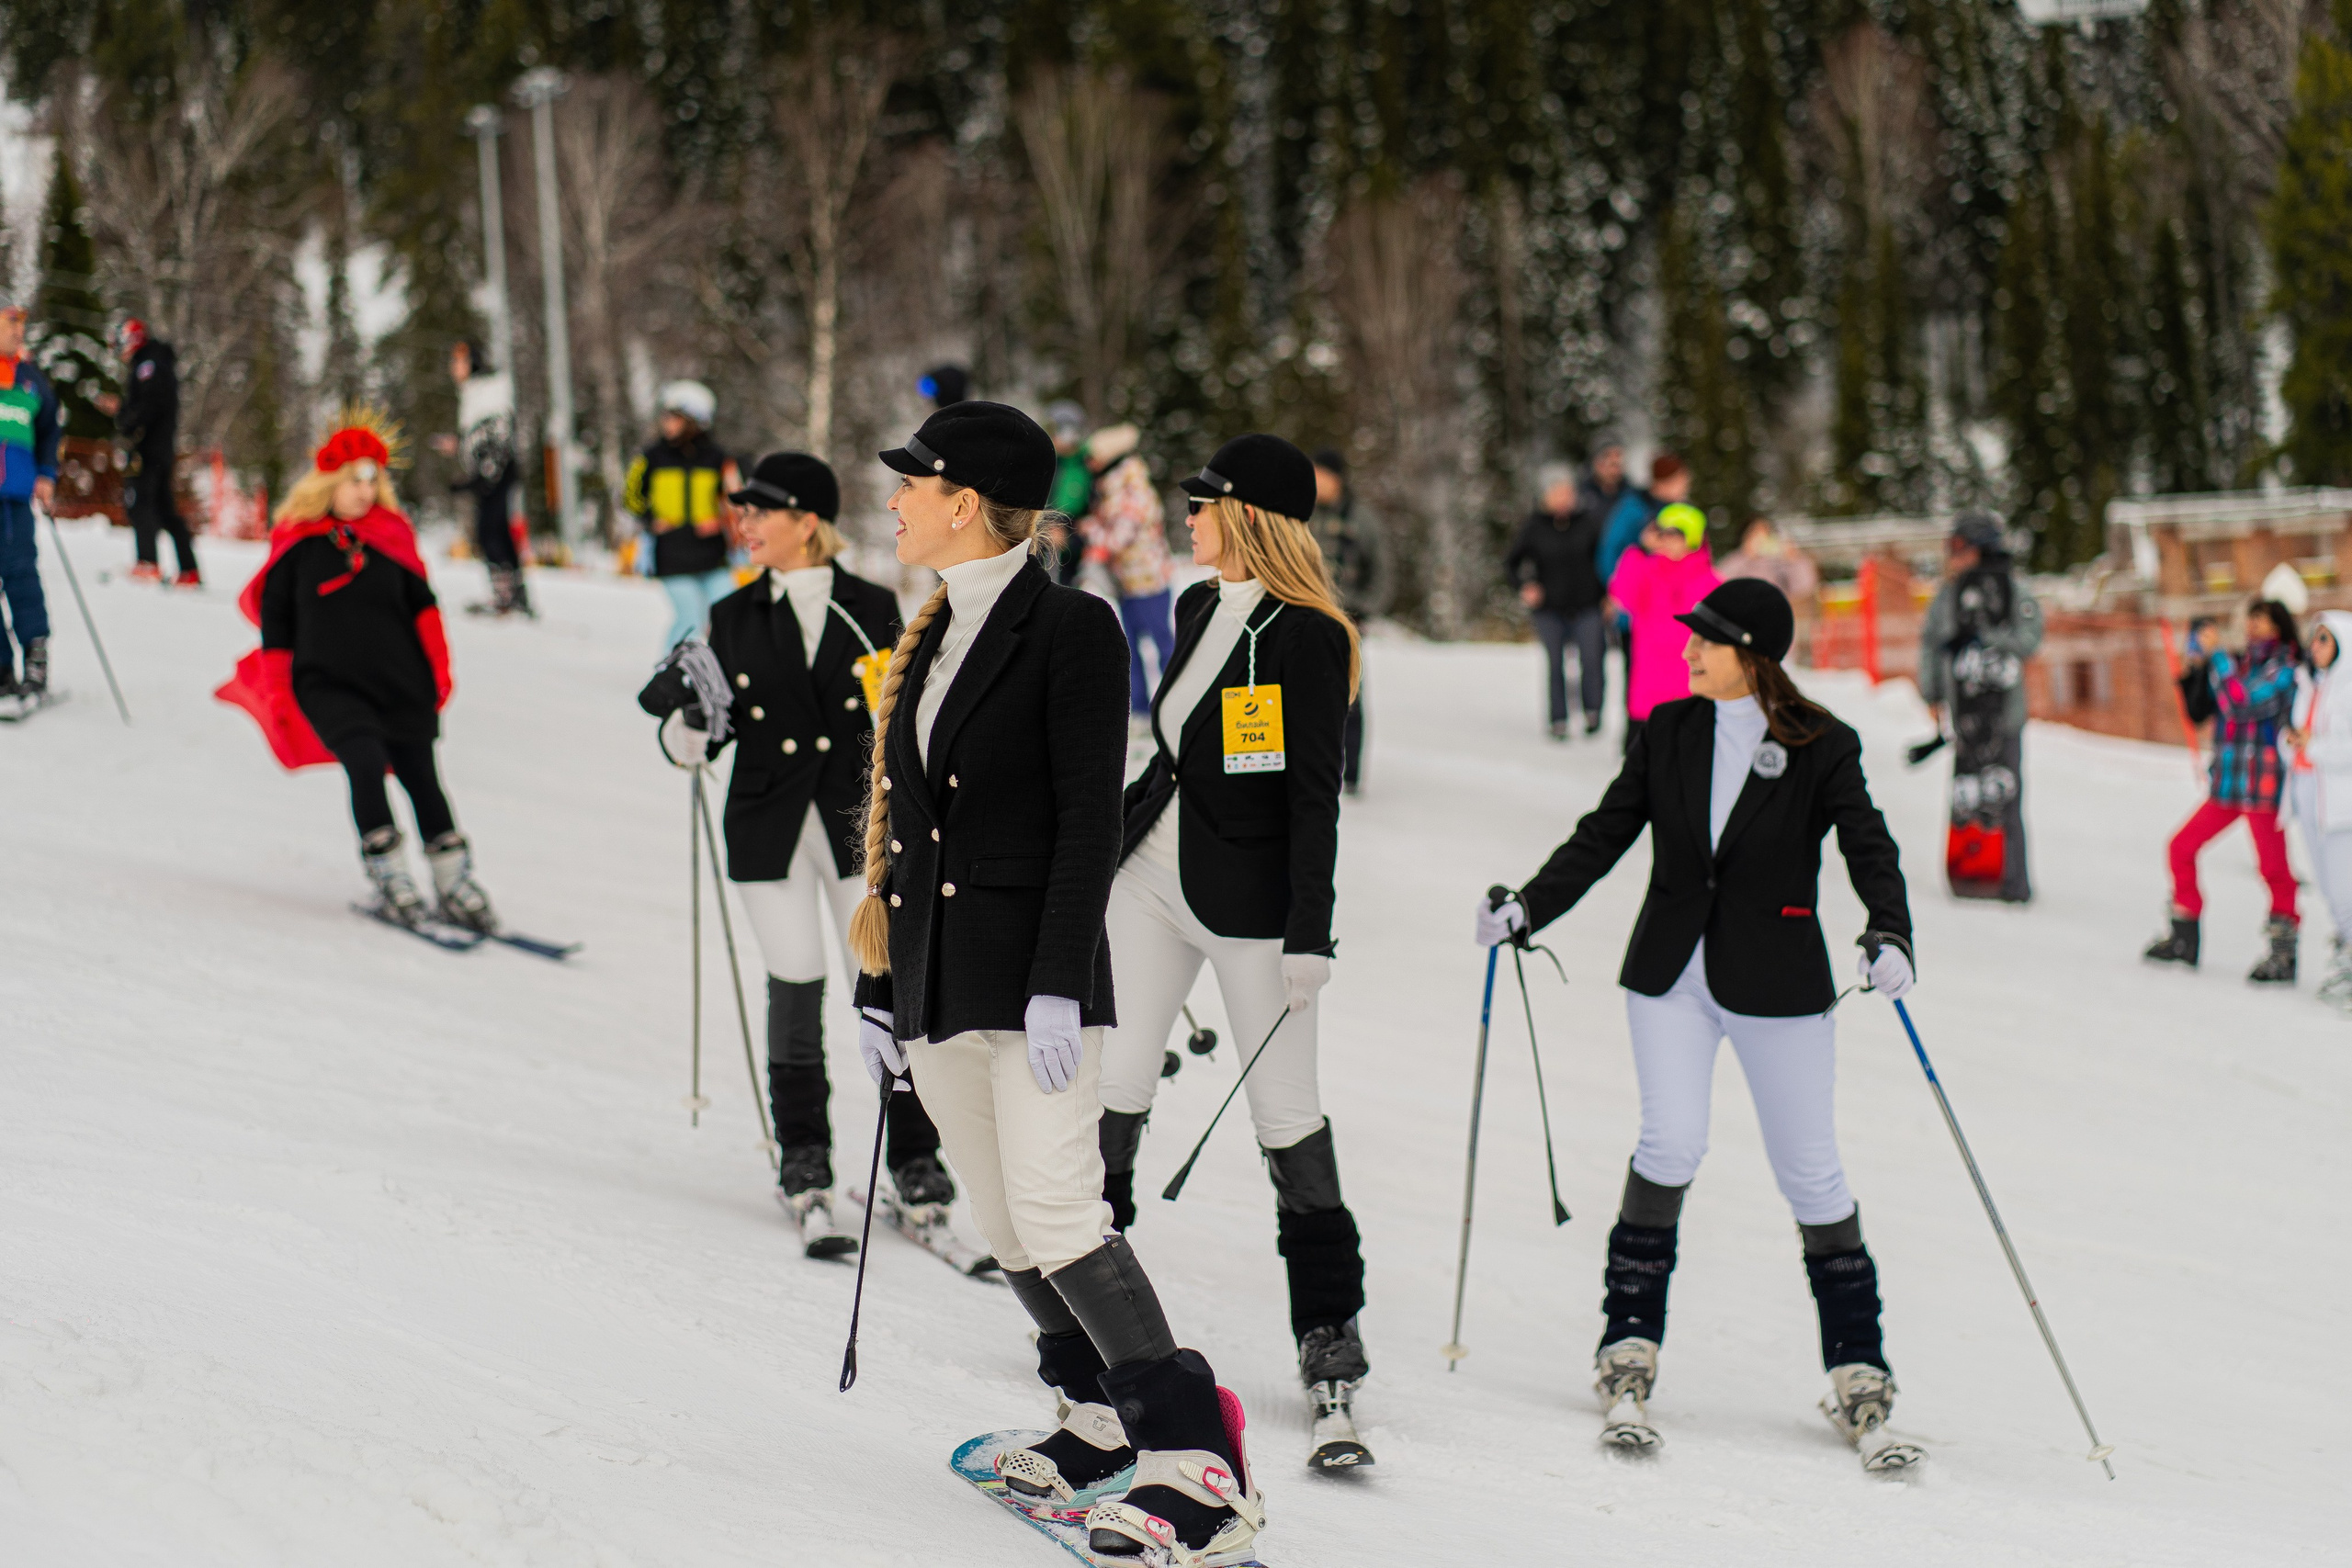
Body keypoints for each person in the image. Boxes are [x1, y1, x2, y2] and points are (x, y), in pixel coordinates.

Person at [849, 401, 1263, 1563]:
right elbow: (908, 834)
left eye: (910, 485)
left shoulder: (1070, 630)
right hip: (937, 985)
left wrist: (1052, 987)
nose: (893, 502)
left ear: (965, 501)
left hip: (1033, 986)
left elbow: (1089, 823)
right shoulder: (929, 633)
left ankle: (1196, 1465)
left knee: (1061, 1212)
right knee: (1000, 1220)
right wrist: (884, 985)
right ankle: (1092, 1418)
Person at [1476, 577, 1916, 1458]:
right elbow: (1606, 832)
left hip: (1780, 982)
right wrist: (1530, 905)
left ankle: (1858, 1368)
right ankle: (1627, 1347)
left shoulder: (1823, 743)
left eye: (1704, 642)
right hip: (1671, 973)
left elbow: (1870, 847)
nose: (1685, 653)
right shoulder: (1669, 730)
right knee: (1669, 1142)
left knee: (1812, 1173)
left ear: (1749, 654)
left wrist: (1891, 930)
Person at [1100, 434, 1373, 1469]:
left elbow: (1312, 797)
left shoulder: (1307, 637)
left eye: (1204, 504)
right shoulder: (1194, 607)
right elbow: (1176, 752)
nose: (1187, 517)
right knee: (1115, 1086)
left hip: (1256, 910)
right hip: (1153, 881)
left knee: (1287, 1119)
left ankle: (1330, 1339)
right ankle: (1089, 1313)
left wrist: (1310, 932)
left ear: (1250, 515)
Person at [637, 451, 955, 1255]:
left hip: (858, 830)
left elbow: (908, 716)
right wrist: (684, 722)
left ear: (807, 519)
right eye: (740, 511)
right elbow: (703, 737)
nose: (743, 524)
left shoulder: (873, 605)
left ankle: (915, 1160)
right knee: (796, 986)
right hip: (769, 827)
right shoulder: (732, 617)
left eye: (760, 510)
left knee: (881, 988)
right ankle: (804, 1158)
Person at [214, 419, 496, 932]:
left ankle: (454, 880)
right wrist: (279, 692)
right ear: (328, 483)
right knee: (363, 761)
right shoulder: (297, 548)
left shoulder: (391, 538)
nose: (366, 492)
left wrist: (439, 670)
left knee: (422, 777)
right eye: (356, 480)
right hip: (328, 683)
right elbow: (277, 630)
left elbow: (424, 609)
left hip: (400, 681)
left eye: (374, 481)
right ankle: (389, 872)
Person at [2145, 599, 2304, 982]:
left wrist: (2217, 659)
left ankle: (2283, 953)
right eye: (2250, 620)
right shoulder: (2239, 663)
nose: (2253, 628)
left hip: (2263, 784)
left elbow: (2242, 703)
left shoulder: (2286, 669)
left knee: (2273, 869)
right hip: (2230, 784)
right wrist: (2195, 667)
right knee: (2180, 847)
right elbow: (2202, 711)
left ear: (2279, 628)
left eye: (2263, 622)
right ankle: (2185, 934)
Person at [1917, 513, 2041, 903]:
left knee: (2004, 792)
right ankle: (1969, 873)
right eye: (1950, 548)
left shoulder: (2013, 592)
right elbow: (1932, 643)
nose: (1953, 557)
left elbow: (2029, 639)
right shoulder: (1948, 596)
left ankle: (2011, 879)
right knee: (1967, 792)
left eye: (1960, 548)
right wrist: (1933, 694)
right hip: (1966, 713)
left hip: (2003, 714)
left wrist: (1985, 638)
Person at [623, 380, 741, 649]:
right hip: (672, 554)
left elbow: (737, 500)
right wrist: (651, 519)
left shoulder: (718, 458)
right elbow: (630, 497)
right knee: (691, 617)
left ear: (695, 421)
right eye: (666, 416)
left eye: (675, 417)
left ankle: (724, 675)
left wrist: (721, 521)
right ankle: (669, 676)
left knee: (729, 613)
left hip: (713, 554)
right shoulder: (651, 457)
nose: (667, 423)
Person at [1077, 423, 1175, 721]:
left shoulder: (1133, 489)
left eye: (1093, 458)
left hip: (1150, 581)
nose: (1089, 464)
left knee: (1162, 645)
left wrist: (1089, 531)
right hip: (1125, 582)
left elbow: (1119, 537)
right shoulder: (1110, 487)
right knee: (1129, 647)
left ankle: (1174, 701)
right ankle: (1142, 709)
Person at [93, 319, 199, 587]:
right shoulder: (158, 362)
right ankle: (189, 569)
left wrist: (123, 414)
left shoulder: (148, 365)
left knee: (141, 503)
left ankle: (147, 562)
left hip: (148, 448)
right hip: (161, 447)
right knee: (165, 509)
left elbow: (148, 407)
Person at [1505, 462, 1608, 739]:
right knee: (1555, 663)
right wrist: (1525, 586)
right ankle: (1558, 719)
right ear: (1545, 496)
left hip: (1588, 604)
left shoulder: (1589, 523)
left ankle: (1592, 711)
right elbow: (1512, 563)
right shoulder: (1534, 526)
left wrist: (1608, 595)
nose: (1563, 498)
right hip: (1549, 608)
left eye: (1567, 492)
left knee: (1591, 658)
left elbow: (1605, 561)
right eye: (1557, 492)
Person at [430, 339, 531, 618]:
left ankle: (506, 596)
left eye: (459, 361)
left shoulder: (489, 389)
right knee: (497, 531)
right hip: (492, 472)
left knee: (490, 531)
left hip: (495, 472)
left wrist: (484, 475)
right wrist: (459, 445)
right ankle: (515, 594)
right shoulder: (475, 391)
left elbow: (498, 435)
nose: (454, 367)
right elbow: (480, 437)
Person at [1607, 502, 1719, 750]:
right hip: (1649, 681)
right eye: (1662, 533)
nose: (1666, 540)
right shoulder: (1646, 569)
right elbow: (1622, 594)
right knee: (1642, 760)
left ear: (1692, 539)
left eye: (1675, 534)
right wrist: (1638, 549)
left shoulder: (1710, 581)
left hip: (1691, 682)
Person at [2286, 612, 2352, 1007]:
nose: (2315, 647)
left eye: (2324, 639)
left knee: (2345, 892)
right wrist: (2293, 742)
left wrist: (2313, 746)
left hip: (2342, 805)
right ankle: (2345, 956)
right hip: (2311, 796)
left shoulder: (2348, 688)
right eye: (2314, 639)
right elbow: (2298, 733)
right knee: (2328, 889)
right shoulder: (2314, 684)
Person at [1309, 447, 1383, 789]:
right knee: (1304, 693)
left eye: (1322, 473)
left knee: (1349, 694)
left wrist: (1367, 607)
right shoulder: (1300, 513)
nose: (1317, 481)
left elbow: (1383, 569)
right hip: (1304, 613)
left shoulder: (1360, 518)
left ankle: (1350, 772)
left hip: (1346, 617)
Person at [1600, 453, 1689, 729]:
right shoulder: (1634, 508)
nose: (1685, 486)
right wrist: (1617, 593)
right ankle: (1635, 738)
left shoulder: (1681, 511)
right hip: (1636, 610)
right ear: (1664, 481)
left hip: (1672, 613)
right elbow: (1609, 552)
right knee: (1637, 677)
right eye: (1681, 480)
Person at [0, 295, 59, 703]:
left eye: (21, 324)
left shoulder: (32, 380)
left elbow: (49, 433)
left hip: (17, 499)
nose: (18, 331)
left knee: (21, 574)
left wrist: (47, 474)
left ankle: (35, 659)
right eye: (10, 323)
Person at [1716, 516, 1820, 611]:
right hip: (1740, 616)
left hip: (1772, 615)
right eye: (1755, 534)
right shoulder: (1736, 560)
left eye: (1766, 533)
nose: (1761, 539)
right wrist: (1745, 554)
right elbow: (1719, 580)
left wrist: (1793, 559)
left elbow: (1804, 587)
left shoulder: (1779, 563)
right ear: (1745, 537)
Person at [1041, 400, 1092, 586]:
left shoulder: (1085, 465)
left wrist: (1070, 537)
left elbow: (1088, 510)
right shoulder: (1049, 462)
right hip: (1045, 539)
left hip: (1073, 548)